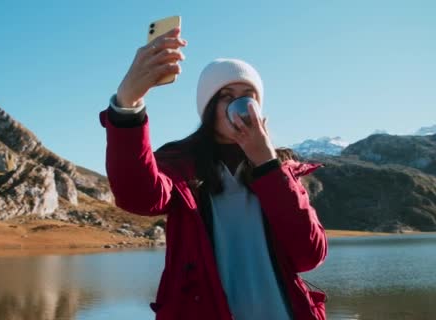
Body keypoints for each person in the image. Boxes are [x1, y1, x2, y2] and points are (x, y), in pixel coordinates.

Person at [99, 27, 328, 320]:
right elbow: (137, 196)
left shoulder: (282, 168)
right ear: (208, 110)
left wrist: (267, 163)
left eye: (248, 96)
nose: (240, 105)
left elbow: (309, 254)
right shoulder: (182, 163)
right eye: (226, 97)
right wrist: (127, 105)